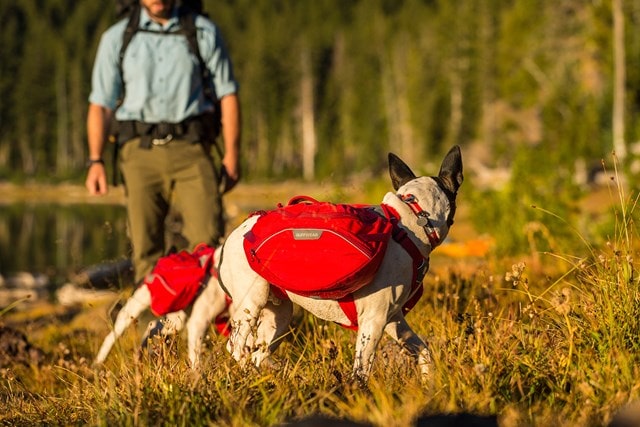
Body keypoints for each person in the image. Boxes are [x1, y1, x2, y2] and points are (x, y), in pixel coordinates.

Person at [85, 0, 241, 285]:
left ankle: (207, 321)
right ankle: (155, 327)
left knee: (208, 243)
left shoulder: (203, 32)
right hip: (138, 152)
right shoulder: (117, 37)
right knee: (146, 248)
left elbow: (227, 95)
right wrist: (96, 160)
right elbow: (101, 104)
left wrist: (232, 154)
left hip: (192, 150)